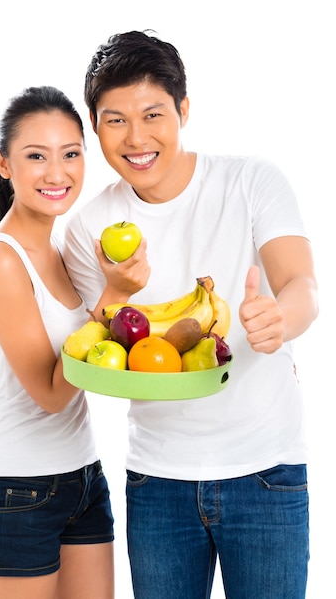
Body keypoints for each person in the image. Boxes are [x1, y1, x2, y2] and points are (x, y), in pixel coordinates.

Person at [62, 31, 319, 599]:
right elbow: (97, 351)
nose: (136, 138)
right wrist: (114, 290)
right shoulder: (90, 230)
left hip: (267, 472)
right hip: (158, 481)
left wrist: (282, 317)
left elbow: (301, 283)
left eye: (153, 114)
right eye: (115, 120)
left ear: (183, 109)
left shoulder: (251, 181)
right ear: (94, 125)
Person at [0, 85, 149, 599]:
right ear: (4, 163)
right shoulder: (0, 261)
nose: (57, 172)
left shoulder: (61, 250)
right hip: (14, 491)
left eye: (70, 154)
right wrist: (112, 296)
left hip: (82, 478)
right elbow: (50, 391)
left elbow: (102, 352)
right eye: (35, 156)